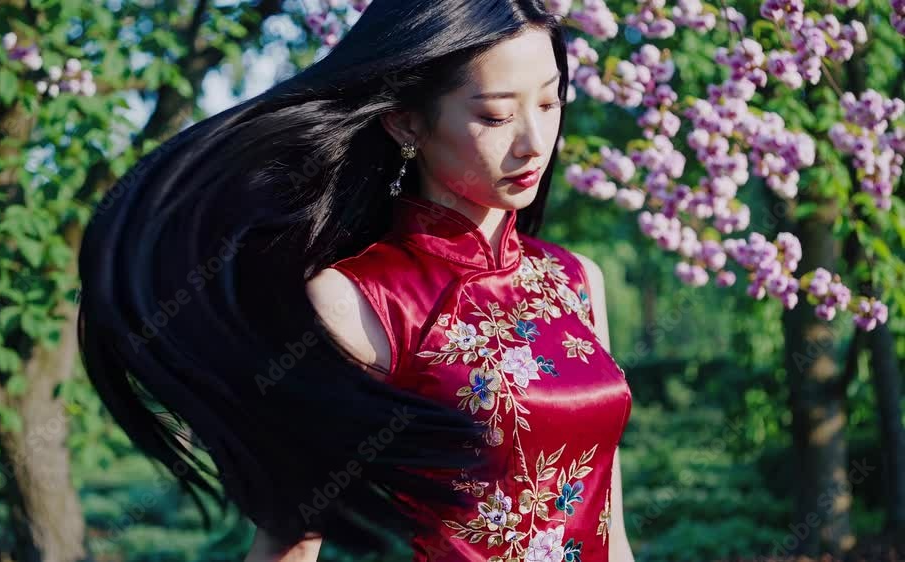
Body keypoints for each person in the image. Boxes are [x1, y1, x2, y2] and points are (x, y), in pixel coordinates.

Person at [77, 0, 633, 560]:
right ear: (406, 121)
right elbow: (292, 541)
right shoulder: (360, 300)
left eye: (549, 101)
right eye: (495, 115)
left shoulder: (576, 280)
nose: (535, 141)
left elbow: (611, 528)